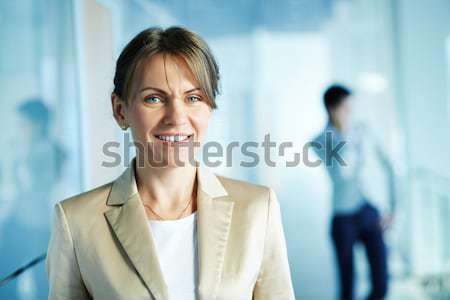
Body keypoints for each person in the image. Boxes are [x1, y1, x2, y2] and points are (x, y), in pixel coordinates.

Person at [46, 26, 295, 300]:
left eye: (193, 98)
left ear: (209, 108)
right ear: (120, 110)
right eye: (154, 98)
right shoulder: (77, 222)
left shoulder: (259, 208)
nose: (176, 116)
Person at [313, 85, 396, 300]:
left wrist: (393, 209)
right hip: (343, 218)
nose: (351, 111)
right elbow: (343, 174)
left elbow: (389, 166)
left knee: (381, 285)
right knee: (347, 287)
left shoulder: (364, 131)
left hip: (369, 210)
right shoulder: (320, 141)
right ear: (333, 109)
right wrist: (345, 137)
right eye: (346, 107)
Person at [0, 99, 65, 300]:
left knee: (38, 282)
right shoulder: (24, 148)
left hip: (35, 223)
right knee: (10, 278)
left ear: (37, 124)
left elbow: (32, 185)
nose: (20, 129)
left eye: (23, 123)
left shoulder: (49, 150)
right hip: (20, 220)